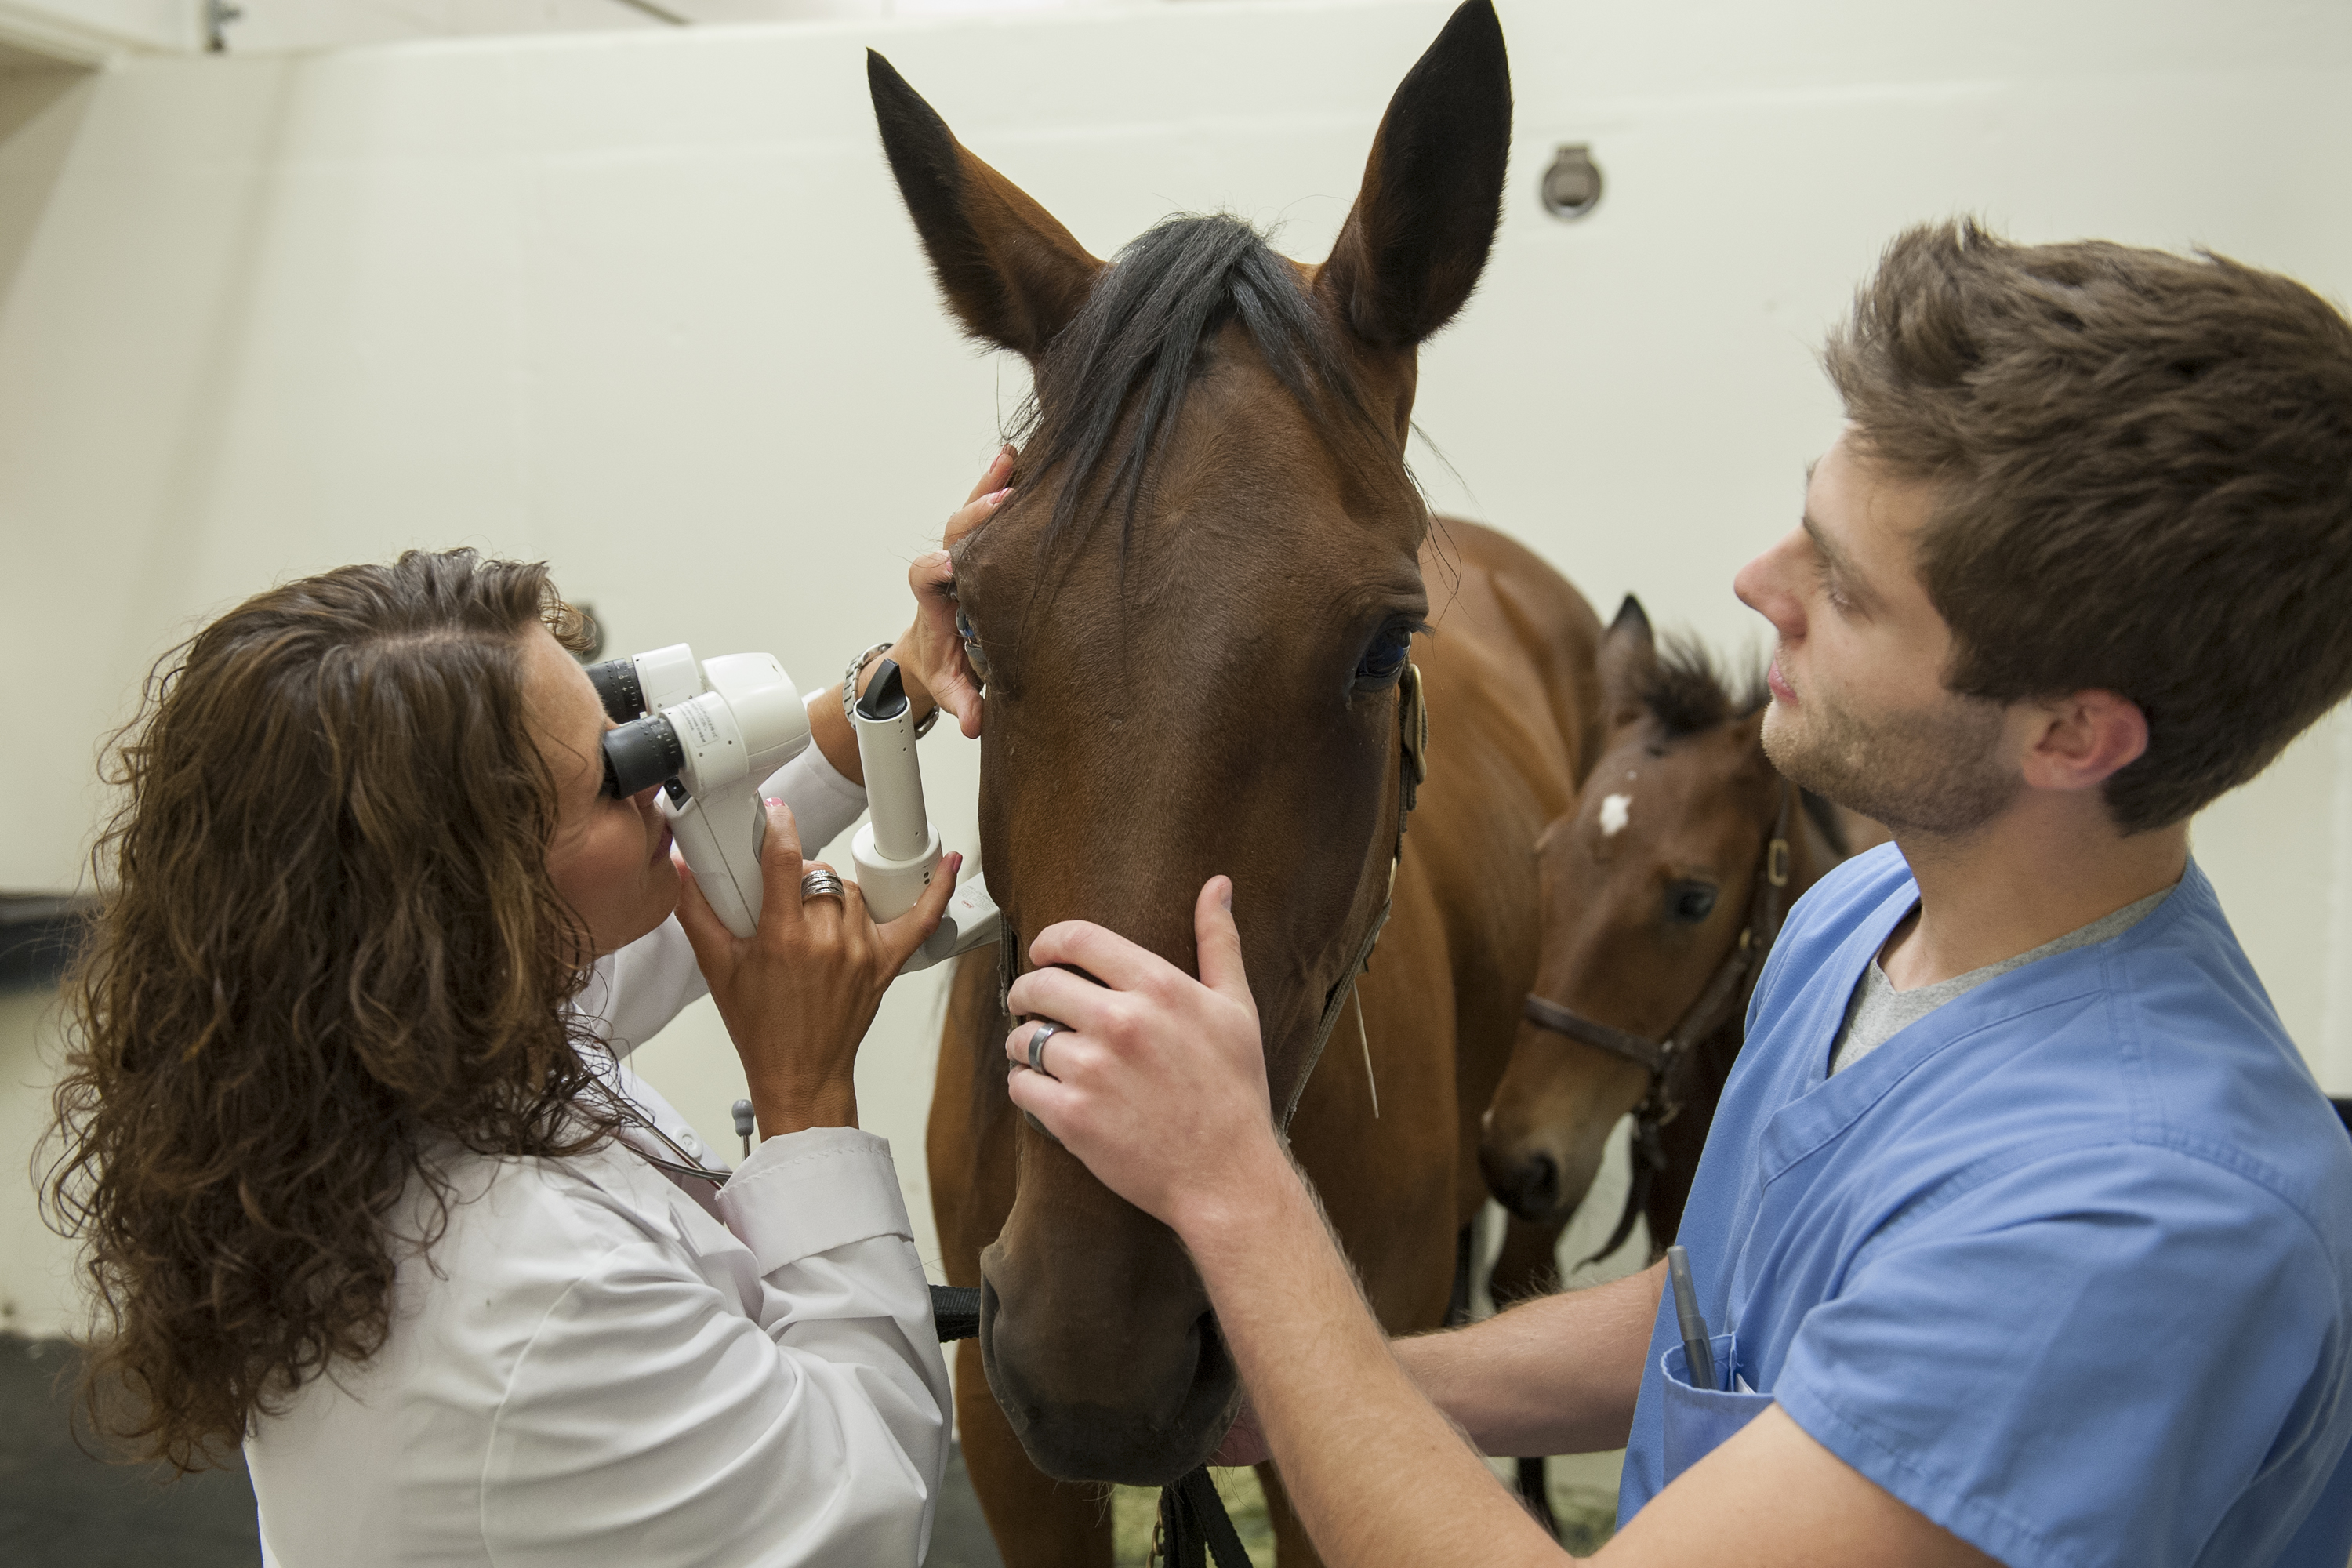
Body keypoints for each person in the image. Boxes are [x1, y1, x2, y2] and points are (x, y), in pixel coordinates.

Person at [994, 223, 2352, 1566]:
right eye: (1803, 524)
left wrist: (1234, 1184)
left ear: (2071, 734)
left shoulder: (2137, 1228)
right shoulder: (1865, 918)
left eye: (1850, 590)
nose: (1762, 587)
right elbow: (1731, 1318)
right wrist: (1319, 1390)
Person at [43, 450, 1014, 1566]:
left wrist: (897, 679)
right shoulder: (539, 1295)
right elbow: (863, 1503)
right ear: (472, 896)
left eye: (619, 721)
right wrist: (805, 1102)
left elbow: (660, 916)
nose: (664, 784)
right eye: (616, 773)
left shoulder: (389, 1056)